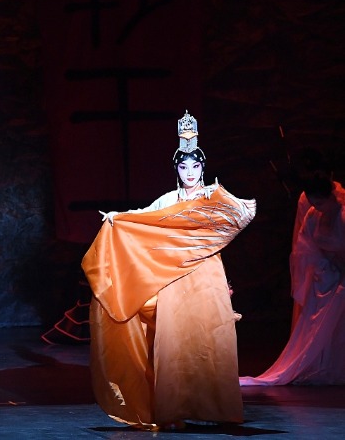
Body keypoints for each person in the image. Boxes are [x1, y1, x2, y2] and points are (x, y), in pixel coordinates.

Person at [82, 111, 256, 430]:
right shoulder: (169, 200)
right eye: (183, 166)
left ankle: (215, 408)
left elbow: (243, 212)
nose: (189, 172)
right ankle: (172, 408)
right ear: (176, 169)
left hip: (205, 276)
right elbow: (143, 217)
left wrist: (219, 208)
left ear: (203, 167)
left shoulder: (212, 197)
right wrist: (118, 218)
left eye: (195, 166)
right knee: (174, 341)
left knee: (208, 339)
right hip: (172, 276)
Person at [240, 170, 345, 385]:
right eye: (312, 203)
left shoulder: (342, 215)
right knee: (316, 325)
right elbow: (305, 246)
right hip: (325, 274)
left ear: (329, 197)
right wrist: (325, 262)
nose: (316, 207)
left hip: (340, 275)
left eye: (319, 203)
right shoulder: (313, 216)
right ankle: (318, 365)